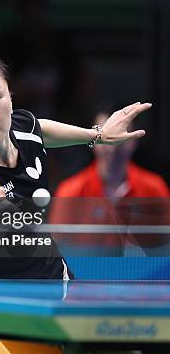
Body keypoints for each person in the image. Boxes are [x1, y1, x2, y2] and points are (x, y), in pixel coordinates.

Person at [0, 52, 150, 279]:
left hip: (50, 277)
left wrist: (97, 135)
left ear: (10, 95)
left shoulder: (23, 126)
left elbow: (39, 129)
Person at [49, 107, 169, 255]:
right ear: (93, 142)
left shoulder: (154, 188)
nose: (112, 148)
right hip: (84, 275)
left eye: (120, 138)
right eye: (104, 137)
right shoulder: (70, 191)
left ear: (134, 141)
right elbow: (57, 248)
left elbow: (166, 244)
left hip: (144, 275)